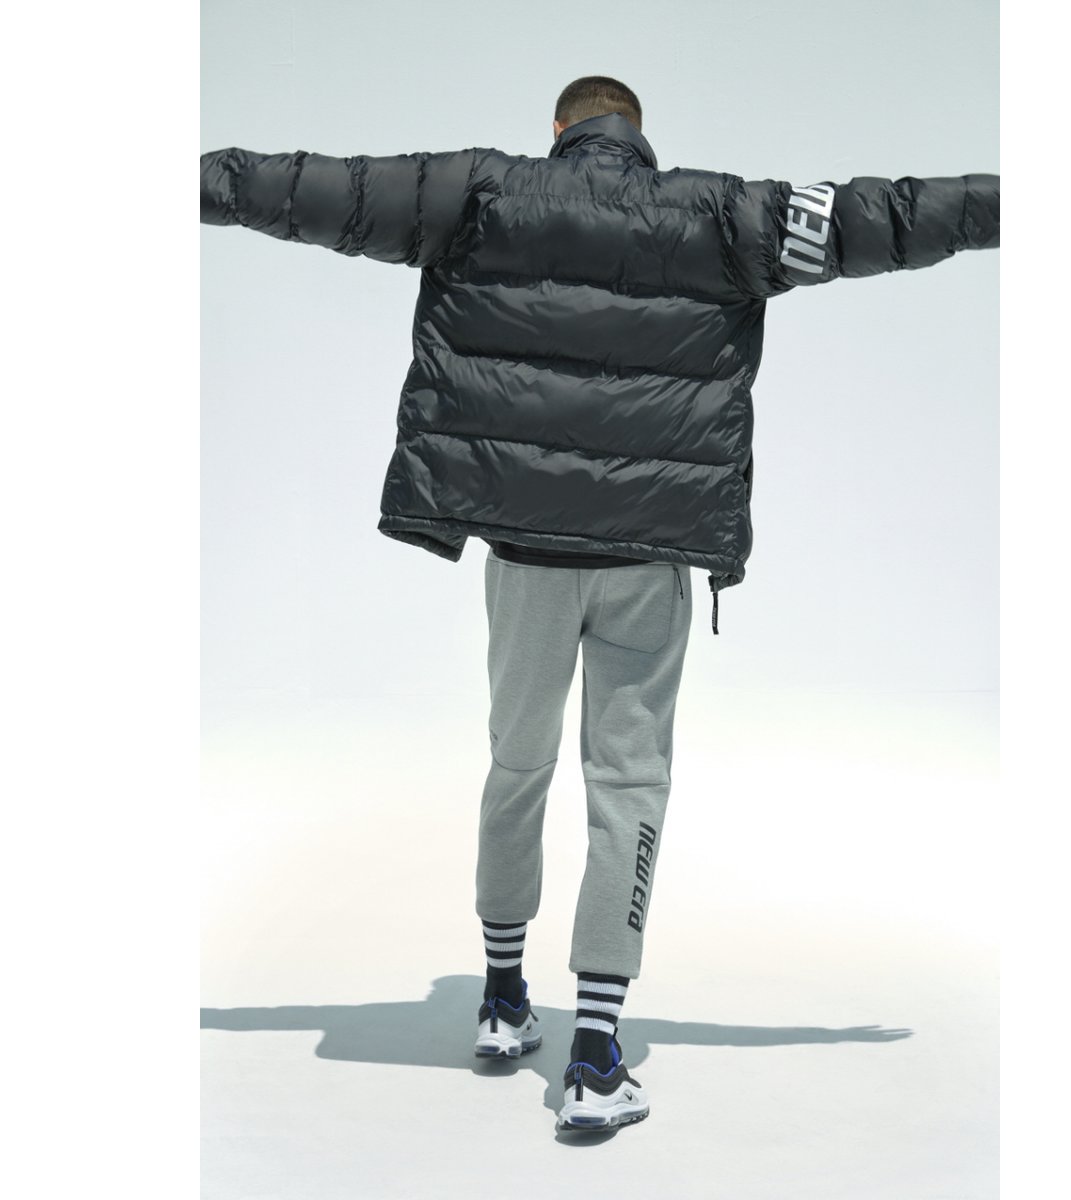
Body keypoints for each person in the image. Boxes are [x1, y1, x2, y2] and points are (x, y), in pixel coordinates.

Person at [200, 73, 1000, 1133]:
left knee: (516, 767)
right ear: (638, 134)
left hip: (525, 559)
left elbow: (320, 190)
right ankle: (594, 1052)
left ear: (559, 131)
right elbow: (880, 218)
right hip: (646, 562)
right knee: (628, 785)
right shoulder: (725, 216)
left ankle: (499, 1000)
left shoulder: (476, 193)